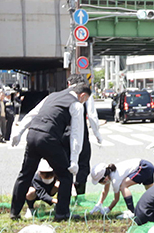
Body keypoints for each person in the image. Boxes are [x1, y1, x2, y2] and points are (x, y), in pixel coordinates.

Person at [9, 80, 92, 221]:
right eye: (85, 100)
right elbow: (76, 135)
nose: (84, 103)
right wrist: (74, 160)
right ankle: (62, 214)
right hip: (49, 138)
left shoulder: (52, 96)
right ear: (82, 95)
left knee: (25, 174)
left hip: (33, 134)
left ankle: (14, 212)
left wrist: (19, 132)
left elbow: (32, 114)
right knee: (66, 175)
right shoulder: (76, 105)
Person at [66, 74, 103, 195]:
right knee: (83, 165)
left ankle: (65, 194)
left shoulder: (63, 94)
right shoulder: (85, 94)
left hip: (64, 134)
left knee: (66, 164)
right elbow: (92, 115)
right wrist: (98, 135)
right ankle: (80, 194)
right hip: (81, 133)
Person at [90, 158, 154, 219]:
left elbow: (116, 199)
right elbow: (105, 190)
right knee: (150, 190)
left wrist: (108, 209)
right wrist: (100, 203)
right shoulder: (111, 171)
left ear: (105, 178)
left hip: (143, 168)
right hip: (147, 165)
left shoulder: (115, 180)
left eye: (99, 181)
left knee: (123, 186)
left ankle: (132, 212)